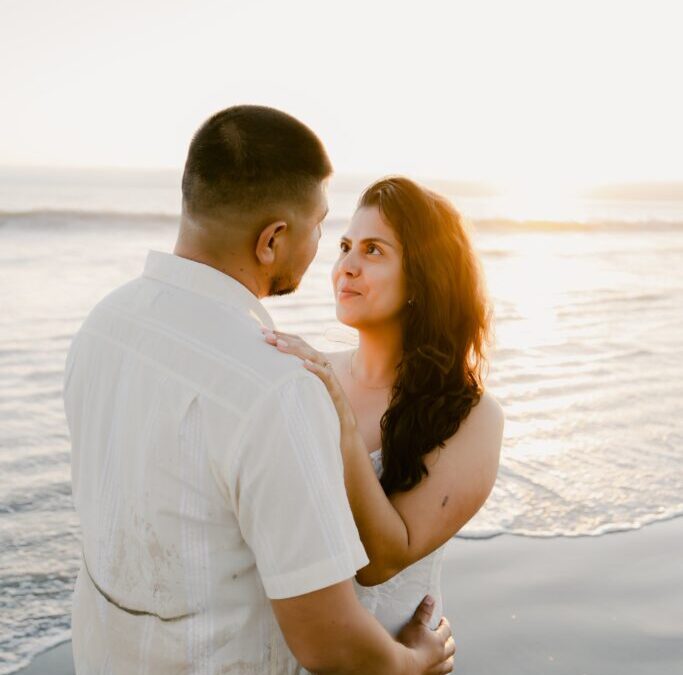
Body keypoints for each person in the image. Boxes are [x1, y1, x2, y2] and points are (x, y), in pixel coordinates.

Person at [63, 106, 455, 673]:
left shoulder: (104, 324)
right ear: (272, 240)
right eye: (322, 226)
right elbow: (331, 644)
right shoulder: (277, 389)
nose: (329, 248)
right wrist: (413, 662)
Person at [262, 176, 504, 635]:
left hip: (390, 657)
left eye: (373, 250)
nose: (345, 267)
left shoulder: (472, 417)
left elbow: (379, 561)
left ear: (422, 276)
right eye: (345, 246)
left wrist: (340, 420)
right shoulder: (306, 373)